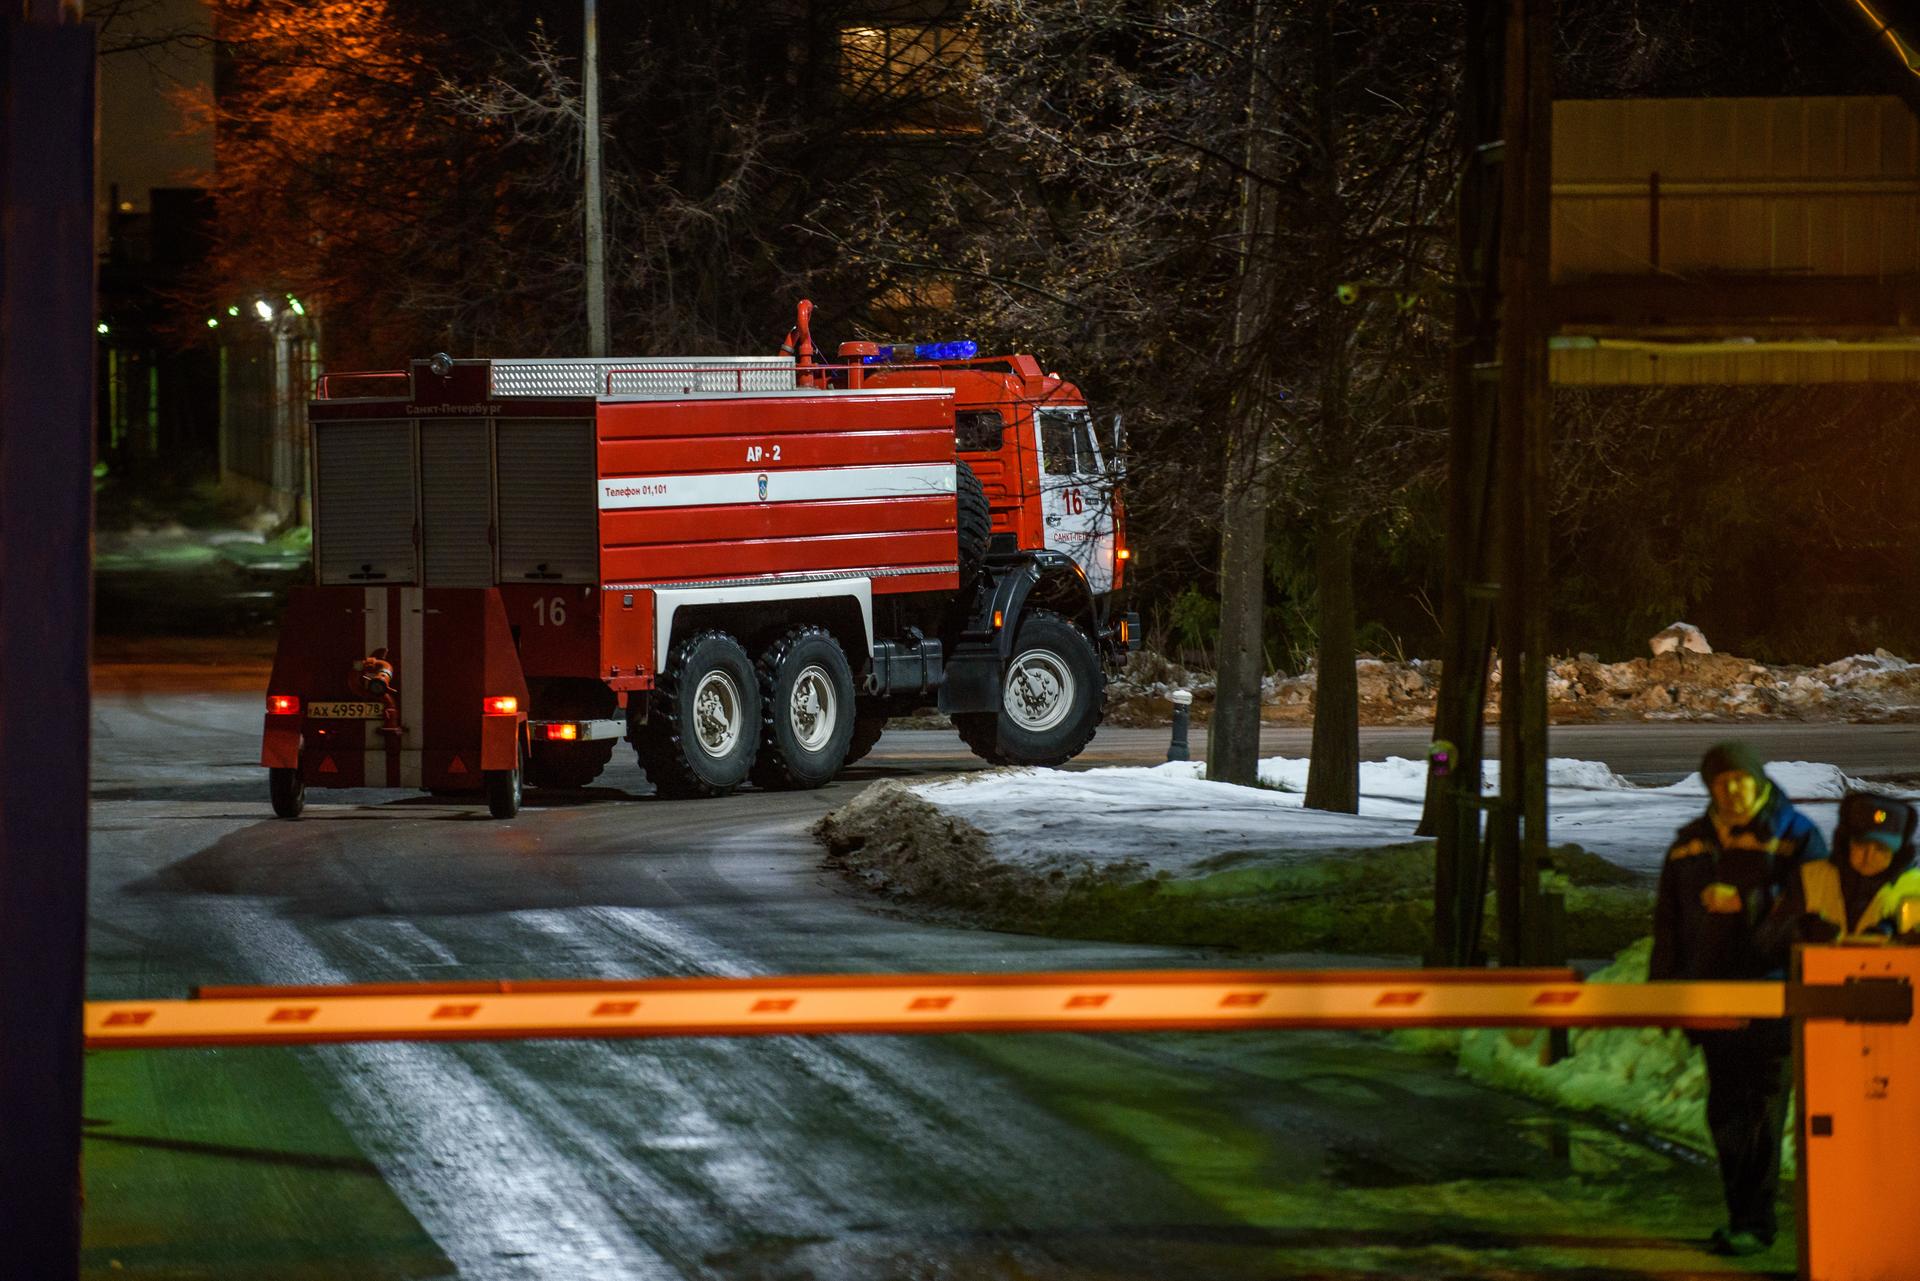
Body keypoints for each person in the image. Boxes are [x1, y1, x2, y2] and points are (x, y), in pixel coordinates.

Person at [1649, 741, 1828, 1258]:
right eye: (1722, 783)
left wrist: (1747, 904)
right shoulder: (1690, 844)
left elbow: (1813, 915)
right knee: (1726, 1112)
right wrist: (1664, 991)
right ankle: (1741, 1215)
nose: (1733, 791)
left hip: (1771, 999)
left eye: (1741, 781)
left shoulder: (1797, 837)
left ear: (1759, 780)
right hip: (1710, 1000)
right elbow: (1668, 925)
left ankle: (1756, 1221)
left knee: (1763, 1113)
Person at [1761, 792, 1919, 952]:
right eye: (1861, 844)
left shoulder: (1915, 888)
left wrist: (1900, 936)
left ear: (1899, 852)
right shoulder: (1809, 877)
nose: (1868, 856)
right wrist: (1801, 929)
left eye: (1881, 849)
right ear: (1846, 841)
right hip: (1817, 975)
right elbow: (1768, 941)